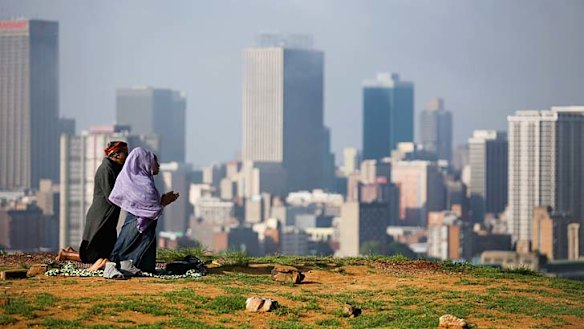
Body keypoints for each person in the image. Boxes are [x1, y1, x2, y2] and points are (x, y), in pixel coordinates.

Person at [56, 141, 129, 271]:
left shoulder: (114, 168)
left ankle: (69, 253)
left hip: (107, 216)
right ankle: (66, 254)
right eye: (125, 153)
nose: (127, 157)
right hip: (101, 216)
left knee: (106, 253)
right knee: (95, 255)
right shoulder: (106, 169)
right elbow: (111, 196)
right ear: (116, 155)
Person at [108, 147, 179, 274]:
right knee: (129, 248)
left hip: (140, 223)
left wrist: (162, 201)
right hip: (137, 224)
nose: (158, 165)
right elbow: (150, 207)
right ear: (144, 162)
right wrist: (161, 203)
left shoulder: (142, 180)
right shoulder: (141, 183)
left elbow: (149, 205)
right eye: (154, 161)